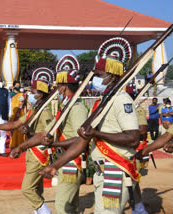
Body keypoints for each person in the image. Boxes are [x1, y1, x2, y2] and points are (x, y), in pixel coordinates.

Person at [40, 37, 141, 213]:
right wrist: (55, 165)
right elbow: (81, 142)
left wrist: (97, 134)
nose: (95, 78)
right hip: (101, 173)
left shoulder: (122, 100)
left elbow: (133, 138)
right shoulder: (102, 102)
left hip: (115, 172)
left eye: (99, 75)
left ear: (113, 75)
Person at [12, 55, 88, 214]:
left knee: (62, 208)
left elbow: (81, 139)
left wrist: (54, 144)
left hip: (71, 162)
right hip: (63, 161)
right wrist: (21, 147)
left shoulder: (77, 108)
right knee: (70, 208)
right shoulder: (65, 107)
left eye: (58, 86)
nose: (56, 90)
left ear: (63, 88)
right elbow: (44, 134)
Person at [0, 70, 54, 214]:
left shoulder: (45, 111)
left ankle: (45, 212)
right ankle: (38, 211)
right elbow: (15, 124)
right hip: (31, 151)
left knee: (27, 189)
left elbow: (46, 135)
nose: (30, 94)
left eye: (33, 92)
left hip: (39, 152)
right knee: (36, 188)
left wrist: (26, 138)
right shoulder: (34, 109)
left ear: (40, 94)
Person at [9, 81, 27, 149]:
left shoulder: (22, 95)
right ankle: (13, 145)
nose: (18, 86)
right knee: (13, 129)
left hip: (21, 114)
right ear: (13, 86)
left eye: (19, 85)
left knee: (20, 130)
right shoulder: (10, 94)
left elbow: (24, 106)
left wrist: (25, 115)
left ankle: (21, 145)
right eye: (16, 85)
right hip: (13, 114)